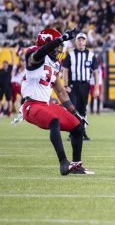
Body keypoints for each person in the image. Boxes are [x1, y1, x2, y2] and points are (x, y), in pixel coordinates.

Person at [20, 28, 93, 175]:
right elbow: (38, 55)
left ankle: (76, 165)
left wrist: (75, 112)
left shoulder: (55, 63)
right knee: (54, 121)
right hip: (30, 105)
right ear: (47, 44)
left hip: (45, 105)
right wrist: (59, 39)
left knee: (77, 127)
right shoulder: (33, 54)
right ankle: (63, 163)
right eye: (56, 45)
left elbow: (60, 91)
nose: (58, 49)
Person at [62, 32, 99, 141]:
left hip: (85, 85)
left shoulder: (91, 55)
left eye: (83, 40)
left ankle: (82, 132)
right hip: (73, 85)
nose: (81, 41)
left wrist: (96, 87)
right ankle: (72, 133)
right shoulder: (71, 54)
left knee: (82, 110)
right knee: (72, 109)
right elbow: (65, 70)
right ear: (76, 41)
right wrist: (66, 85)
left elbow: (96, 72)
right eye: (79, 40)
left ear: (85, 41)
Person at [0, 51, 13, 116]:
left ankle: (9, 112)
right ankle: (1, 112)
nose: (5, 65)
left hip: (8, 87)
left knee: (9, 100)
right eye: (4, 64)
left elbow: (12, 62)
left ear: (7, 65)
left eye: (6, 64)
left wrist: (11, 54)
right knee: (0, 100)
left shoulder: (9, 69)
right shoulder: (1, 70)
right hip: (1, 87)